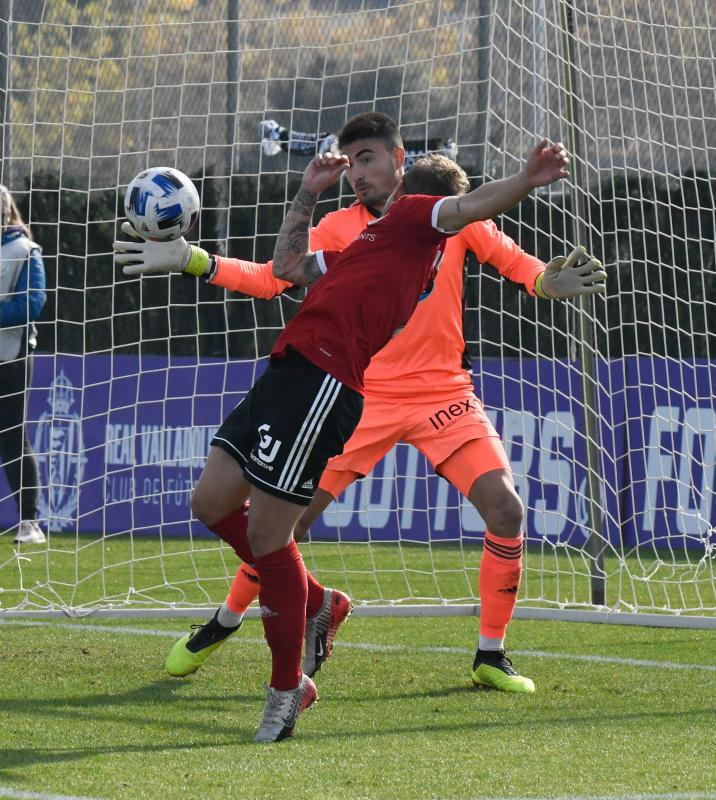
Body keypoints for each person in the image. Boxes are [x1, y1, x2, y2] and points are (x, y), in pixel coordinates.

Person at [115, 113, 606, 701]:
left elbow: (519, 264)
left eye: (367, 157)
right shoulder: (340, 226)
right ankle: (226, 619)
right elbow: (276, 278)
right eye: (349, 162)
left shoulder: (448, 215)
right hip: (359, 395)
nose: (356, 172)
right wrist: (197, 260)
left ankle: (490, 654)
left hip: (443, 395)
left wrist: (547, 284)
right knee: (283, 525)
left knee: (506, 510)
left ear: (400, 161)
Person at [0, 185, 47, 546]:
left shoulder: (26, 250)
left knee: (14, 439)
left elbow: (33, 303)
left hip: (11, 358)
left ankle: (30, 523)